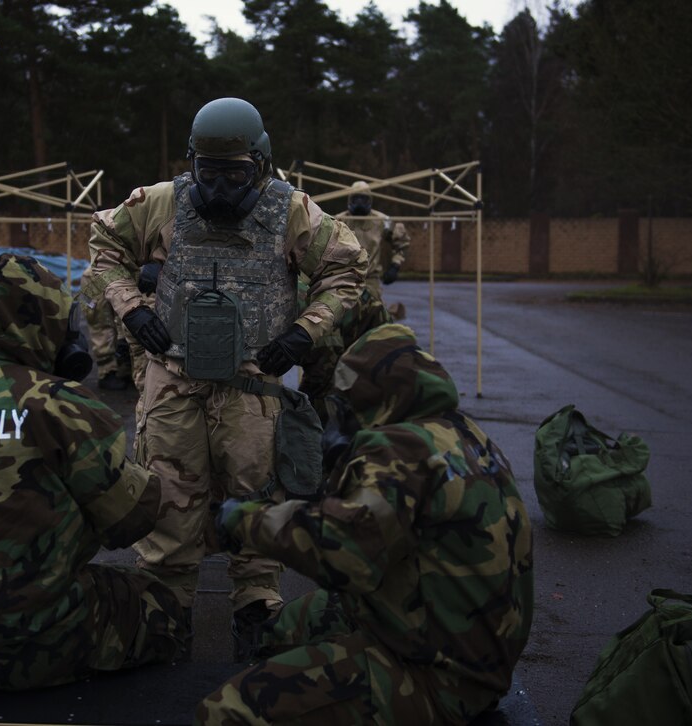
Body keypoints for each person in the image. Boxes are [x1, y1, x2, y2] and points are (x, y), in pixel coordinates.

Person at [85, 97, 367, 661]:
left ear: (260, 164)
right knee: (168, 490)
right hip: (173, 378)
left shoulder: (293, 212)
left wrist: (305, 332)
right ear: (191, 163)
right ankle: (166, 603)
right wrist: (132, 309)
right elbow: (104, 248)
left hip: (253, 385)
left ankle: (256, 602)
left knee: (256, 490)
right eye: (207, 173)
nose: (217, 189)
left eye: (233, 176)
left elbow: (346, 268)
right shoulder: (159, 203)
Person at [198, 323, 534, 724]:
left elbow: (347, 552)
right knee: (285, 629)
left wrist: (241, 520)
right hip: (467, 643)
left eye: (351, 405)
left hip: (436, 676)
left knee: (228, 710)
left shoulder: (400, 448)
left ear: (380, 398)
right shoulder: (463, 434)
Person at [0, 253, 187, 689]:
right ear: (46, 326)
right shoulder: (58, 405)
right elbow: (131, 519)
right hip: (36, 649)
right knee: (162, 605)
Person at [299, 180, 411, 422]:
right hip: (343, 279)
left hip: (370, 281)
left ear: (370, 200)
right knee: (338, 327)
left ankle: (365, 375)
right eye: (355, 199)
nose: (359, 203)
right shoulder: (339, 219)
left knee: (371, 327)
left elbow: (402, 242)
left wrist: (395, 264)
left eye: (364, 199)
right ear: (349, 200)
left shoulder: (382, 221)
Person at [83, 289, 133, 391]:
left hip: (118, 283)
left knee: (124, 317)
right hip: (95, 284)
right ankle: (106, 372)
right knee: (100, 322)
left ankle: (124, 368)